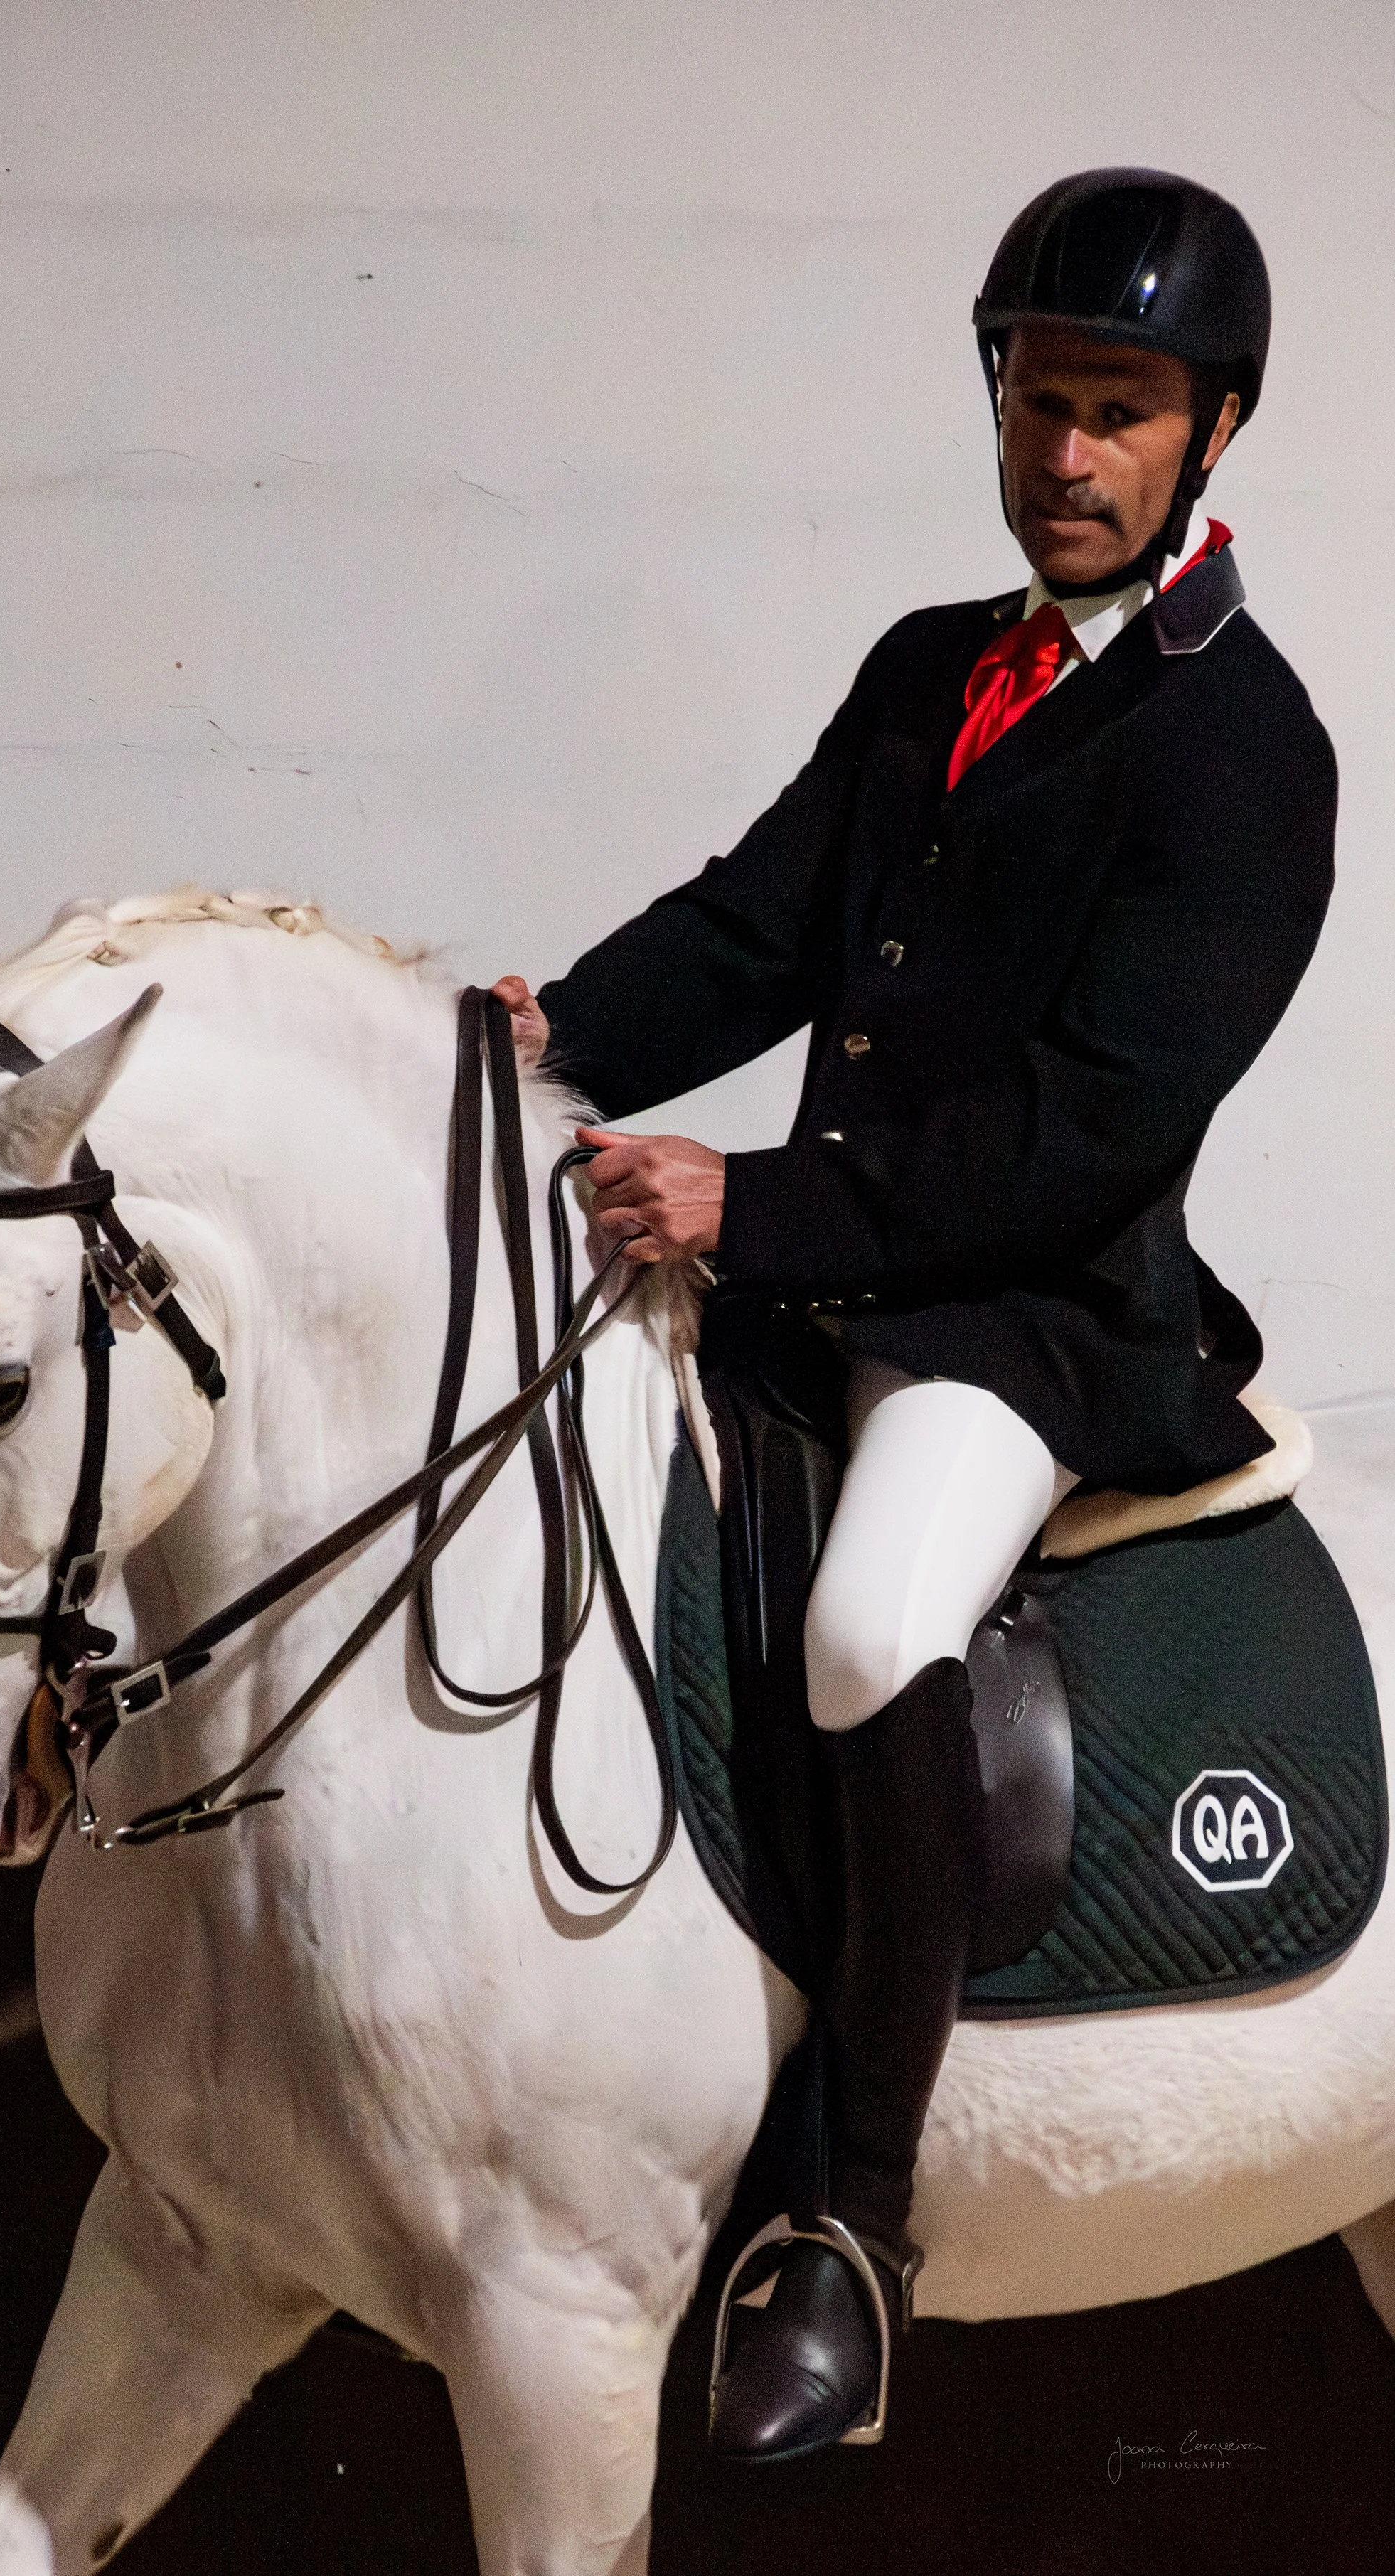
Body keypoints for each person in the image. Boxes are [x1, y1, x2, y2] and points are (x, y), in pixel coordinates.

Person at [491, 168, 1337, 2459]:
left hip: (1034, 1320)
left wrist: (745, 1201)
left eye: (1116, 410)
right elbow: (753, 927)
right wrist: (542, 1041)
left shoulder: (1242, 749)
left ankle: (848, 2222)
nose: (1062, 452)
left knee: (869, 1621)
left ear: (1211, 430)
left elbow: (1086, 1125)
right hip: (828, 1269)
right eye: (1034, 399)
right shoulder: (923, 668)